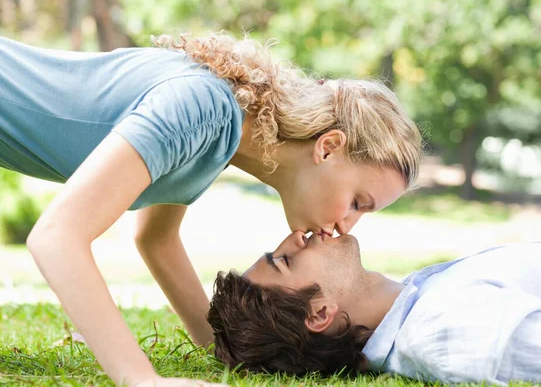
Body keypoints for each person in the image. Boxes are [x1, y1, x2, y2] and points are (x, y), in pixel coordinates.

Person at [0, 32, 422, 386]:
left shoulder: (223, 138)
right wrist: (142, 379)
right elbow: (57, 237)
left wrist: (226, 348)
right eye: (356, 203)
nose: (346, 227)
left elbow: (156, 240)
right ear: (328, 148)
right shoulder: (207, 110)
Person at [208, 231, 541, 385]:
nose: (295, 236)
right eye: (285, 260)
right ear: (319, 313)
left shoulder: (419, 302)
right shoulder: (444, 332)